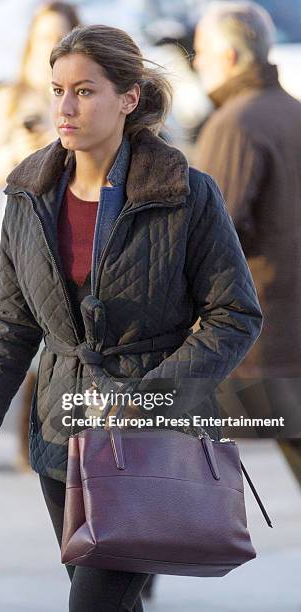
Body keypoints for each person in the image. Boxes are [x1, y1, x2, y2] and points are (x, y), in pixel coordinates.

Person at [0, 24, 263, 611]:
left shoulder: (188, 194)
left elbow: (235, 314)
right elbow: (11, 326)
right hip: (59, 436)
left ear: (129, 98)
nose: (64, 107)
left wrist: (150, 399)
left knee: (93, 606)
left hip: (149, 438)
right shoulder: (28, 196)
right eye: (57, 89)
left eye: (85, 91)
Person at [0, 1, 80, 470]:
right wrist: (23, 149)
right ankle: (27, 444)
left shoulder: (83, 99)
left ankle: (51, 443)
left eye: (60, 40)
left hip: (73, 230)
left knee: (59, 341)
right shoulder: (10, 98)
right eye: (42, 40)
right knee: (18, 337)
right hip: (23, 232)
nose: (49, 51)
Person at [193, 1, 301, 438]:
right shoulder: (292, 110)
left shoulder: (234, 124)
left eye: (200, 51)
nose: (196, 62)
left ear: (230, 57)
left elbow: (209, 234)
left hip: (260, 333)